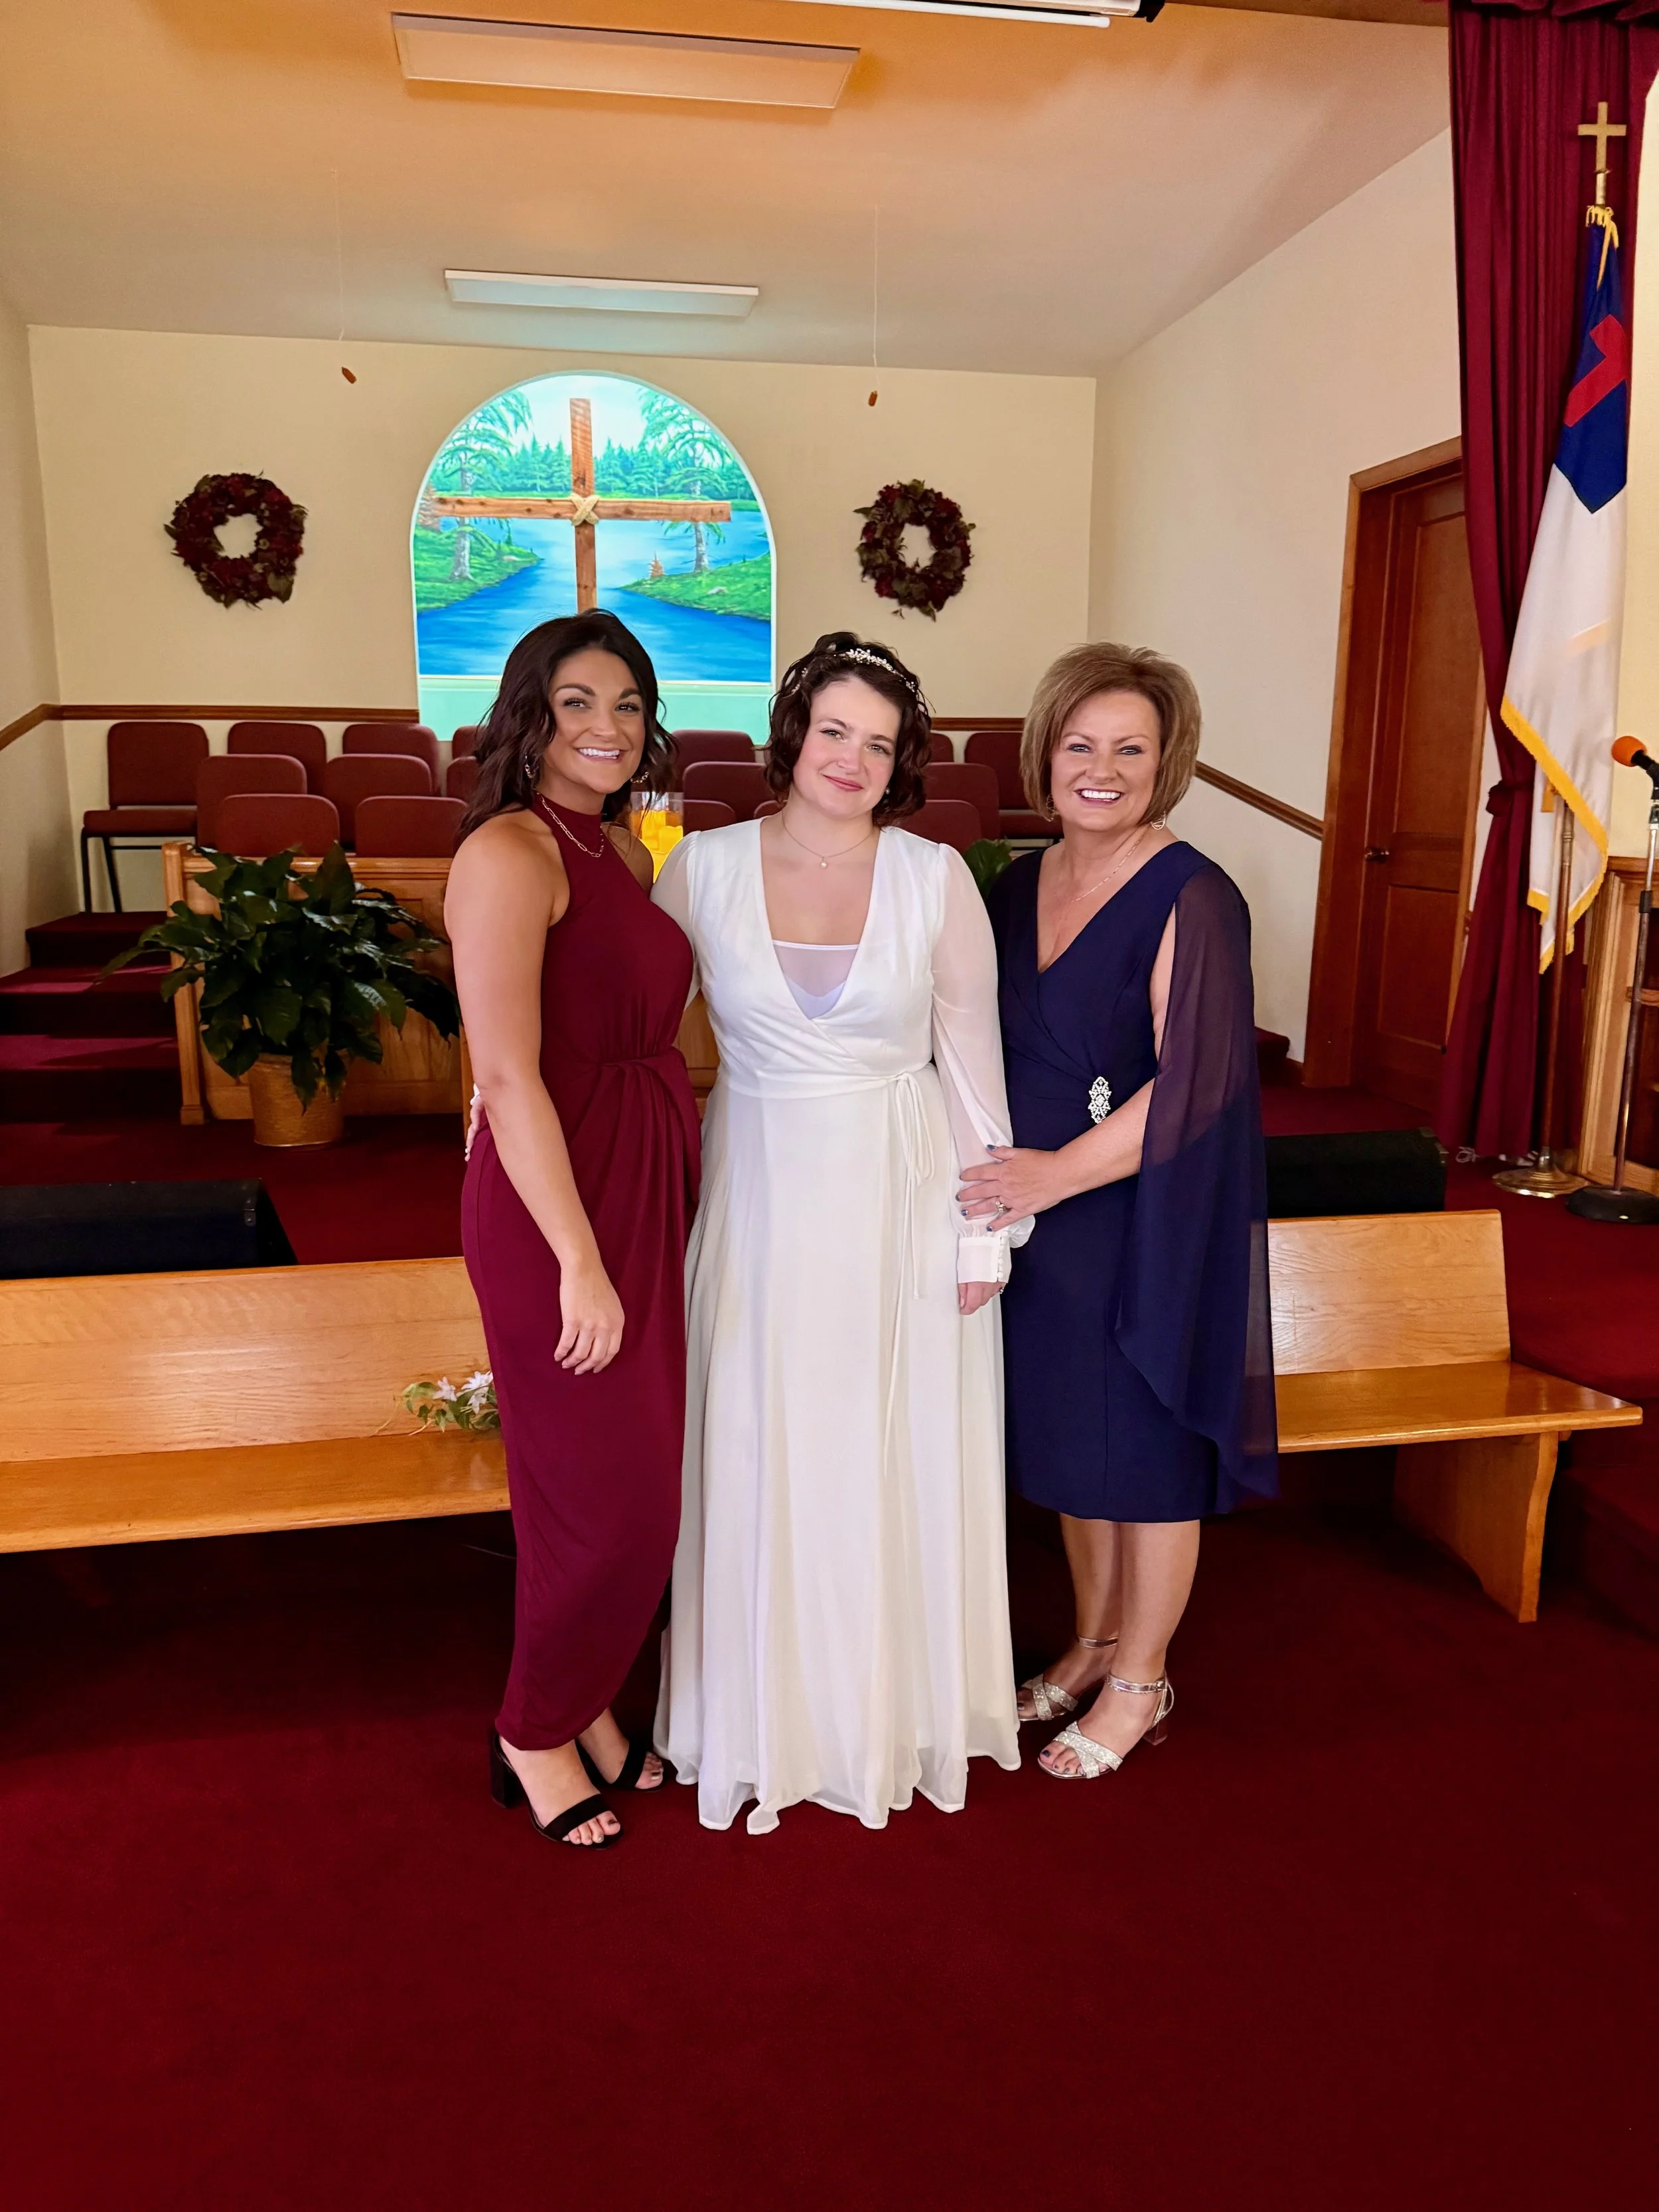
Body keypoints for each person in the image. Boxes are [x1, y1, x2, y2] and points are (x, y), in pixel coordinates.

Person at [651, 632, 1026, 1834]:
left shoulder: (935, 878)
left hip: (903, 1188)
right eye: (833, 733)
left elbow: (974, 1067)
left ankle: (893, 1711)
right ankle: (760, 1717)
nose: (852, 760)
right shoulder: (699, 869)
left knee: (889, 1442)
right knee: (762, 1440)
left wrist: (987, 1233)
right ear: (792, 736)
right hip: (760, 1188)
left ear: (902, 761)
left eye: (880, 743)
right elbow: (627, 1034)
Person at [964, 642, 1276, 1783]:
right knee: (1069, 1440)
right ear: (1046, 753)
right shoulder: (1010, 882)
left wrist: (1053, 1174)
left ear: (1166, 763)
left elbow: (1197, 1081)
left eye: (1130, 749)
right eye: (1081, 745)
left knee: (1141, 1449)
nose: (1101, 769)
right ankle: (1094, 1641)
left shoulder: (1195, 893)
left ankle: (1144, 1676)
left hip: (1137, 1206)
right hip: (1034, 1212)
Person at [446, 611, 699, 1849]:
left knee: (646, 1482)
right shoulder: (507, 852)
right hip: (563, 1209)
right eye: (579, 703)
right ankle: (534, 1727)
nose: (609, 729)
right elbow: (504, 1071)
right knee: (604, 1493)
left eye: (631, 706)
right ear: (530, 716)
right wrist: (579, 1264)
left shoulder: (622, 854)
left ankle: (589, 1701)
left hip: (642, 1180)